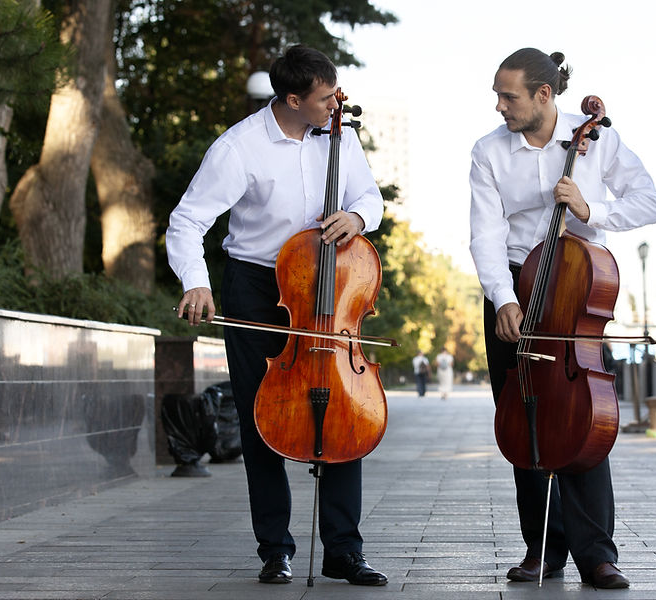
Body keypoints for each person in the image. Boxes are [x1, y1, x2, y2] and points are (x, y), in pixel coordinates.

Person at [165, 45, 387, 587]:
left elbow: (370, 196)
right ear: (291, 99)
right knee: (260, 417)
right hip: (260, 286)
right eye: (325, 97)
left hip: (329, 285)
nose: (335, 104)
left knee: (343, 411)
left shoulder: (340, 134)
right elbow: (187, 220)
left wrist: (357, 217)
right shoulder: (239, 147)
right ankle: (275, 549)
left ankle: (344, 550)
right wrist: (196, 282)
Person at [469, 48, 656, 589]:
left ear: (543, 94)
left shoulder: (596, 139)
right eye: (498, 95)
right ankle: (542, 549)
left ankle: (597, 554)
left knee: (584, 417)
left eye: (508, 96)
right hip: (515, 286)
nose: (500, 106)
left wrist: (589, 209)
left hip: (577, 285)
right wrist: (503, 298)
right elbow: (485, 232)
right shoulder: (488, 151)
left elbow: (649, 202)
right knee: (525, 416)